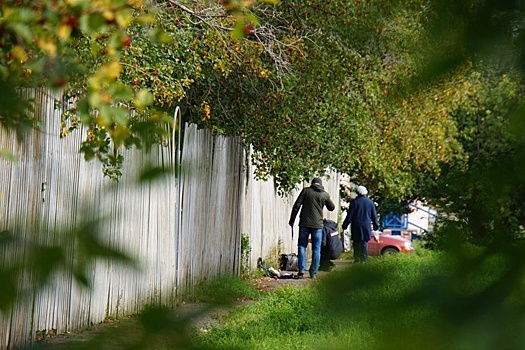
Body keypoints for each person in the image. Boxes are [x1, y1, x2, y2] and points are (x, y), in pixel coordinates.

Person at [289, 177, 335, 278]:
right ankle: (313, 272)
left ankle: (301, 269)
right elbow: (331, 208)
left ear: (312, 183)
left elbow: (297, 205)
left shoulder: (306, 191)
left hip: (304, 223)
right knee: (316, 249)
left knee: (302, 246)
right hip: (318, 225)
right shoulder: (324, 194)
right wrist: (326, 199)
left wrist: (292, 220)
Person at [341, 185, 379, 263]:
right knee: (364, 242)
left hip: (356, 225)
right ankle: (364, 259)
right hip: (366, 226)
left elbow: (350, 215)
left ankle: (357, 259)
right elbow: (374, 215)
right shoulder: (370, 202)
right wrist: (376, 226)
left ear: (357, 193)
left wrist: (345, 225)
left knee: (356, 242)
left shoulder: (354, 202)